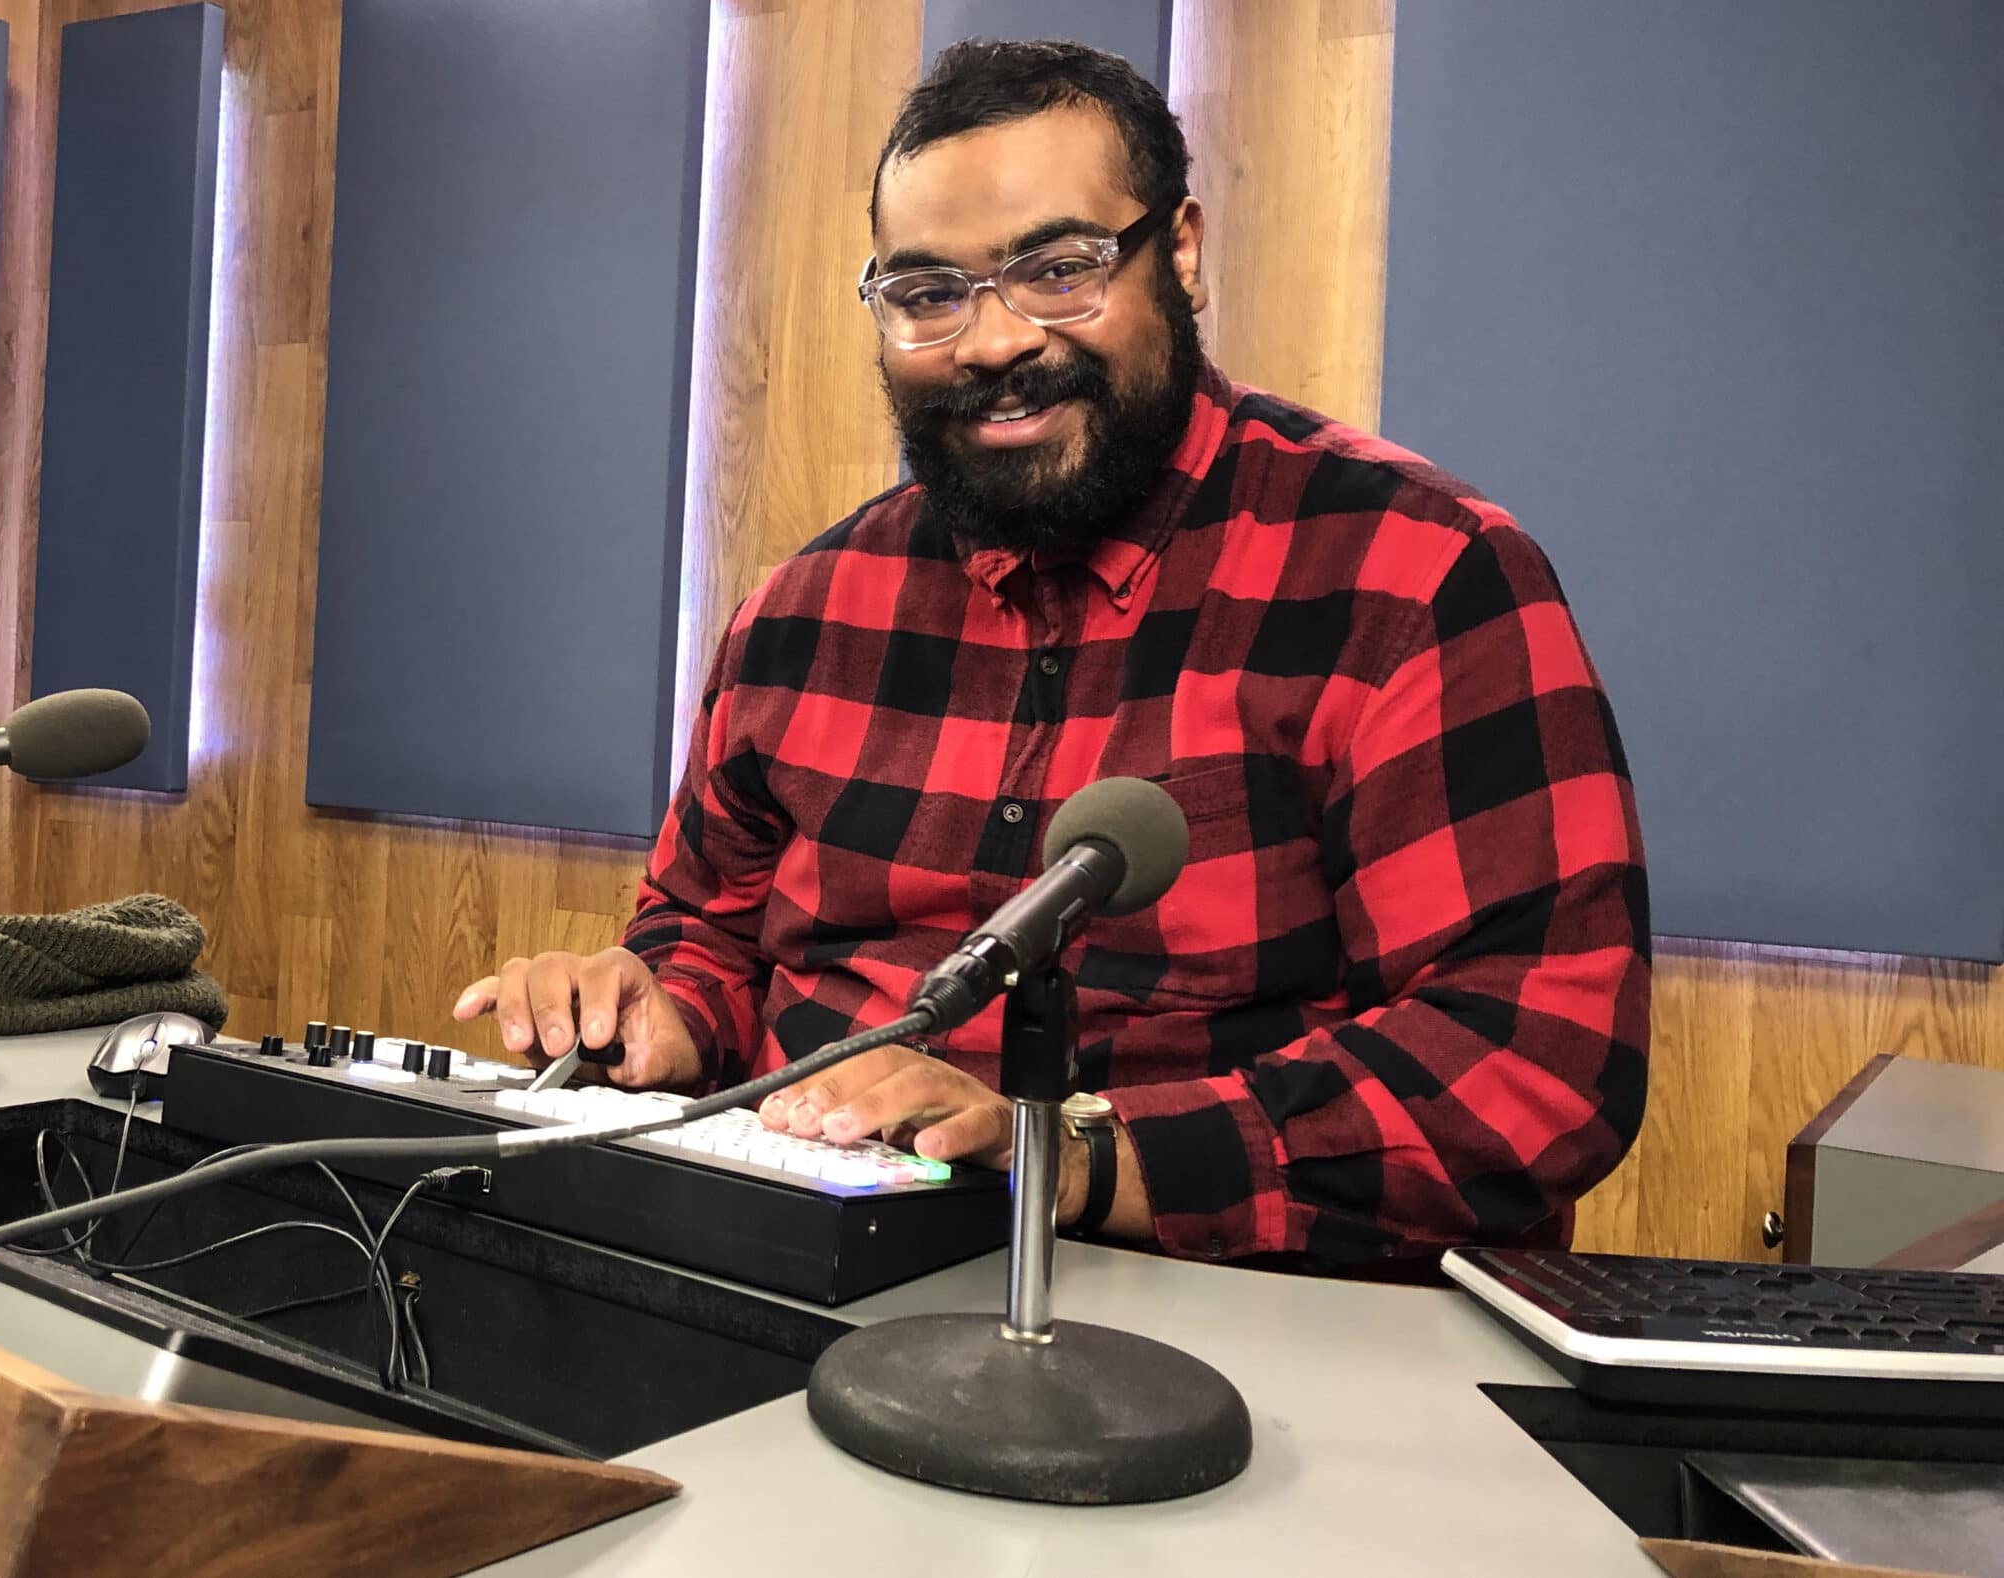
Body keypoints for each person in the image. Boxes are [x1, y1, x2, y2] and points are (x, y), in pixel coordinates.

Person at [454, 39, 1649, 1274]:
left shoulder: (1414, 577)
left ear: (1178, 252)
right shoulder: (803, 609)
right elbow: (704, 930)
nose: (988, 342)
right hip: (798, 1277)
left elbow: (1529, 1063)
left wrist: (1071, 1154)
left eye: (1058, 270)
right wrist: (658, 1011)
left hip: (1228, 1325)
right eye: (927, 294)